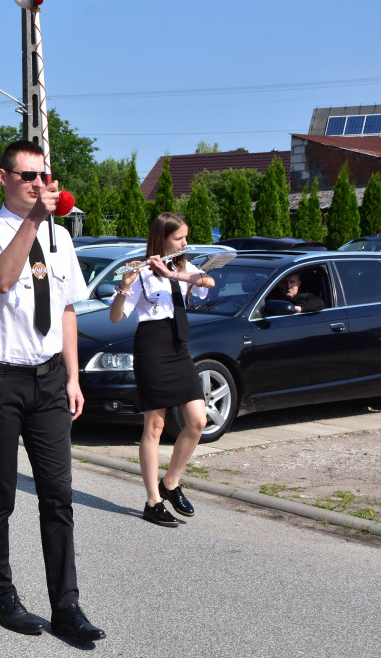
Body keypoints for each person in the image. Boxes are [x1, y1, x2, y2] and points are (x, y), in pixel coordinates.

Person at [0, 141, 104, 641]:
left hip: (47, 380)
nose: (38, 184)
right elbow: (0, 281)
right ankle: (4, 596)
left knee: (58, 497)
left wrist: (72, 376)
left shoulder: (62, 237)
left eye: (43, 176)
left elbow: (66, 308)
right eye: (27, 176)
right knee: (0, 495)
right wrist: (31, 223)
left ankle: (66, 606)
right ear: (4, 178)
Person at [111, 212, 214, 528]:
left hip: (178, 347)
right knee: (154, 426)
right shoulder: (139, 272)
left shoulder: (184, 267)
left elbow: (207, 282)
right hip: (152, 347)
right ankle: (153, 501)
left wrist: (173, 276)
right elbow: (116, 317)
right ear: (161, 239)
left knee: (198, 420)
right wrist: (123, 287)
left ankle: (170, 483)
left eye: (185, 236)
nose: (185, 242)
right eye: (179, 238)